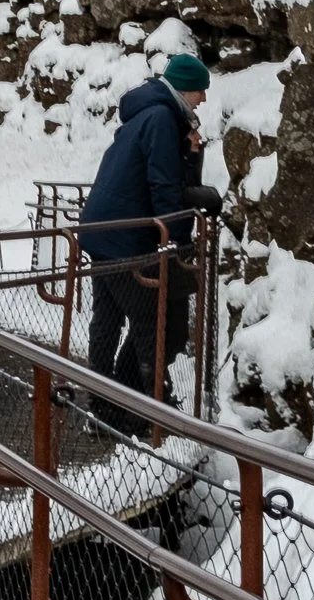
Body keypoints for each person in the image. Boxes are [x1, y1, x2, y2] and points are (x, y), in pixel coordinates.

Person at [77, 53, 222, 426]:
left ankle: (104, 404)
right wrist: (172, 242)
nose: (203, 99)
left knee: (107, 319)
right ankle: (153, 407)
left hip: (103, 228)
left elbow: (171, 179)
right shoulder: (160, 118)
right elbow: (162, 184)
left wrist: (191, 154)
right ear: (185, 89)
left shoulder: (152, 113)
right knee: (151, 321)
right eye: (200, 92)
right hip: (126, 234)